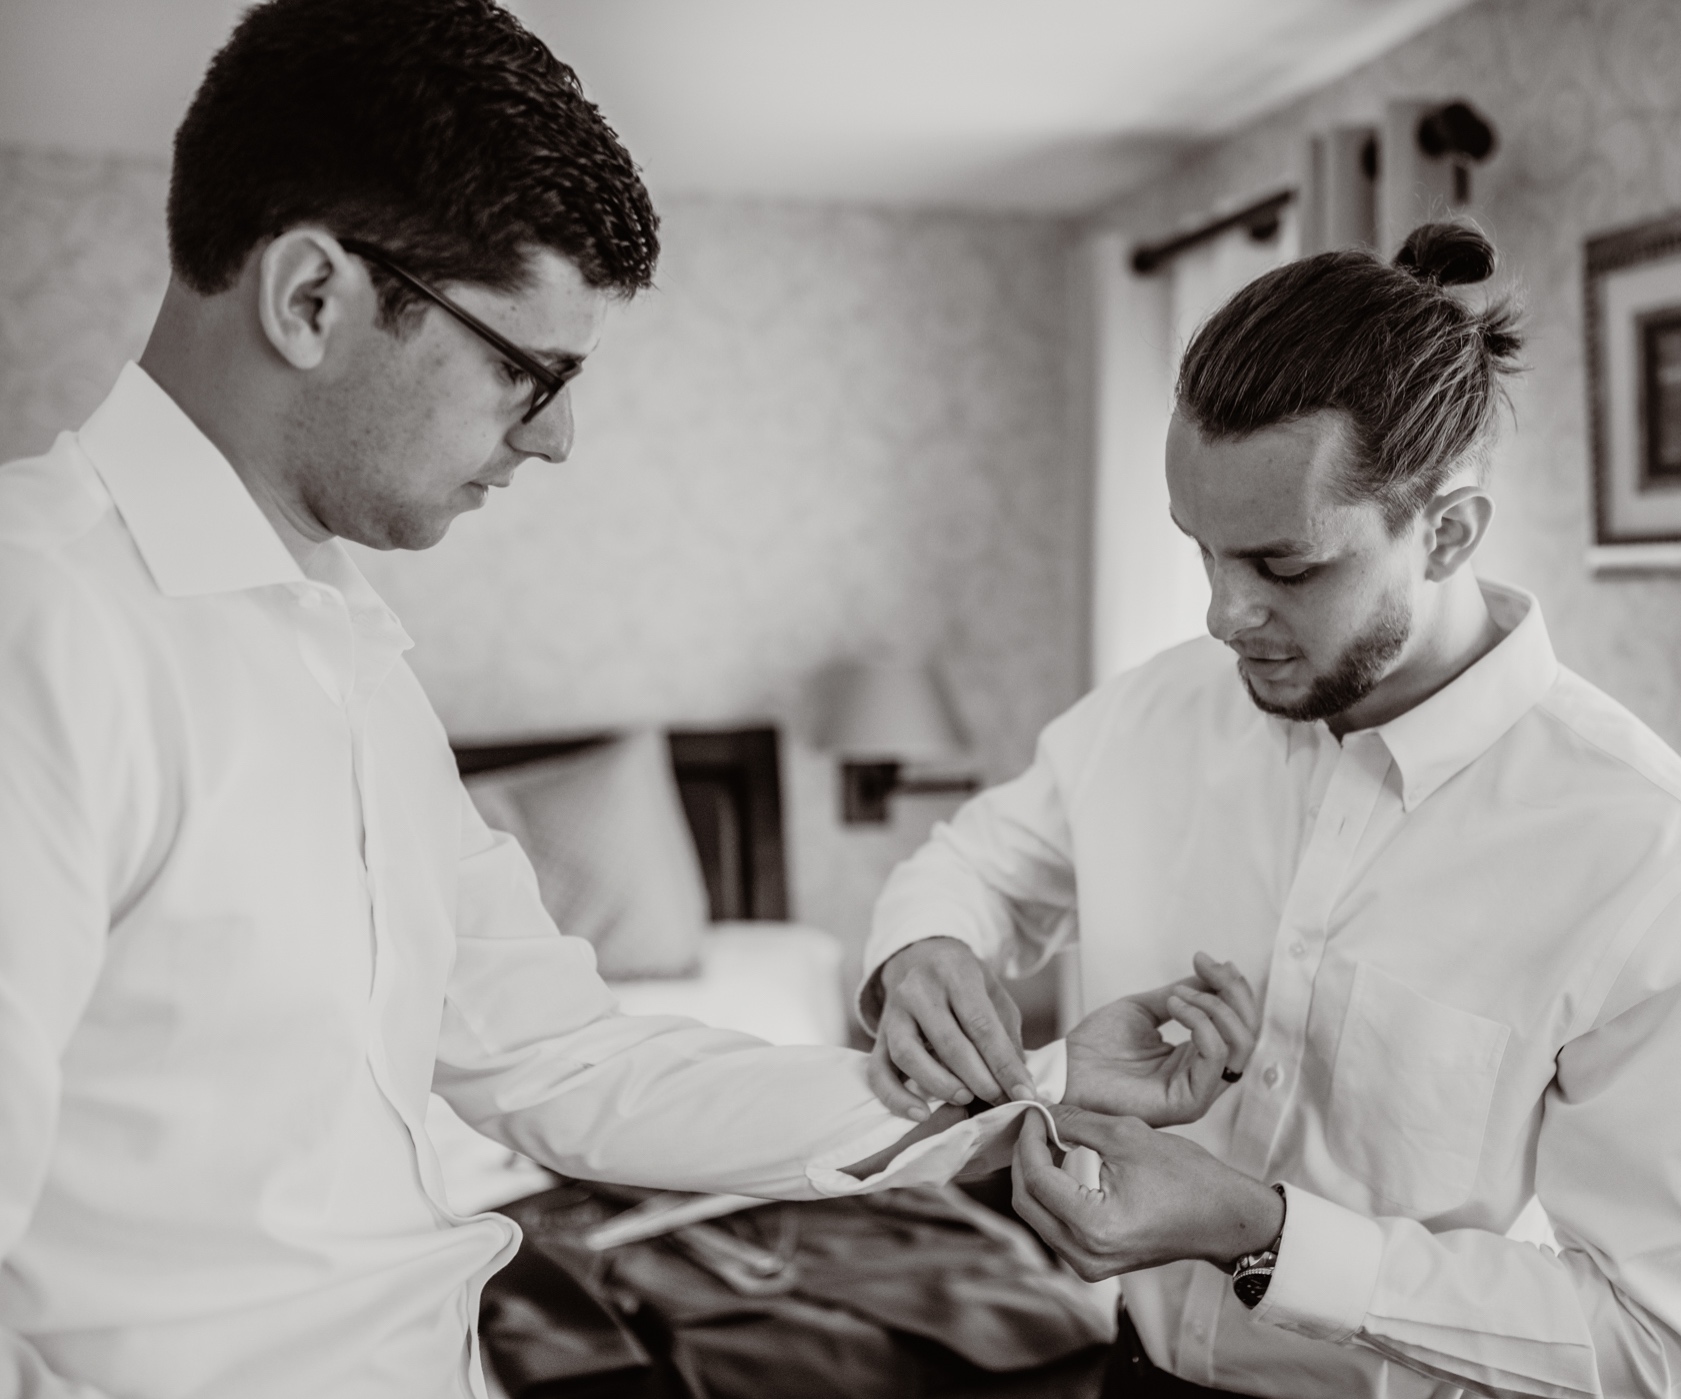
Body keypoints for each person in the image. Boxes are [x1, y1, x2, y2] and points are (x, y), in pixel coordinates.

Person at [0, 4, 1264, 1395]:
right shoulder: (38, 625)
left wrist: (1025, 1087)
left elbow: (558, 1059)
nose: (557, 436)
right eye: (526, 372)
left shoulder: (345, 643)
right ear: (312, 297)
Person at [861, 226, 1681, 1398]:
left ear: (1446, 531)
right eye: (1199, 551)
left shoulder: (1657, 861)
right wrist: (924, 952)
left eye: (1284, 568)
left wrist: (1264, 1231)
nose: (1220, 614)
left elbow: (1655, 1347)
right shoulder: (1158, 714)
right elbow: (975, 865)